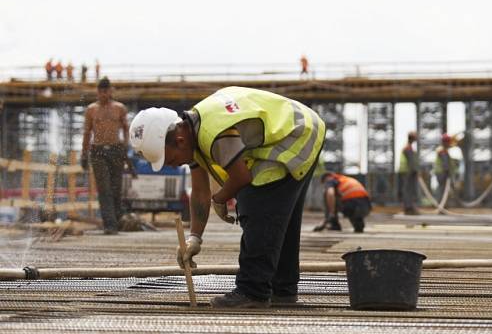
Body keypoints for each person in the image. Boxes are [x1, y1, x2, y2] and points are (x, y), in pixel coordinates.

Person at [130, 86, 325, 308]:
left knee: (256, 204)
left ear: (180, 140)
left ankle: (253, 291)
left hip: (296, 133)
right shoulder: (193, 133)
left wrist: (220, 198)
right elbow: (200, 192)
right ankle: (283, 290)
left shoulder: (214, 133)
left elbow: (241, 177)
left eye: (170, 159)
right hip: (302, 128)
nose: (172, 165)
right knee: (279, 217)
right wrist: (195, 238)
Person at [81, 77, 135, 234]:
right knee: (104, 188)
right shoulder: (91, 110)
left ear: (111, 91)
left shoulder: (119, 108)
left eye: (106, 91)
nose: (104, 94)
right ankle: (110, 225)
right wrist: (84, 154)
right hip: (97, 151)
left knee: (116, 188)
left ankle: (118, 221)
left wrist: (125, 147)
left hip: (116, 150)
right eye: (101, 91)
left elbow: (126, 129)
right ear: (97, 92)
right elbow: (86, 133)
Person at [398, 131, 420, 215]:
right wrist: (415, 170)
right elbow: (411, 162)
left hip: (406, 171)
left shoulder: (408, 147)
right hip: (408, 172)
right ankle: (408, 208)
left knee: (408, 190)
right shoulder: (408, 148)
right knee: (408, 190)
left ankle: (409, 207)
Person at [433, 134, 455, 202]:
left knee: (442, 188)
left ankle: (441, 204)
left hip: (440, 172)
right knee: (442, 189)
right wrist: (448, 172)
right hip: (442, 172)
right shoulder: (442, 151)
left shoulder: (442, 150)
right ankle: (440, 204)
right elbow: (445, 163)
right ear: (445, 142)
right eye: (448, 142)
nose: (449, 144)